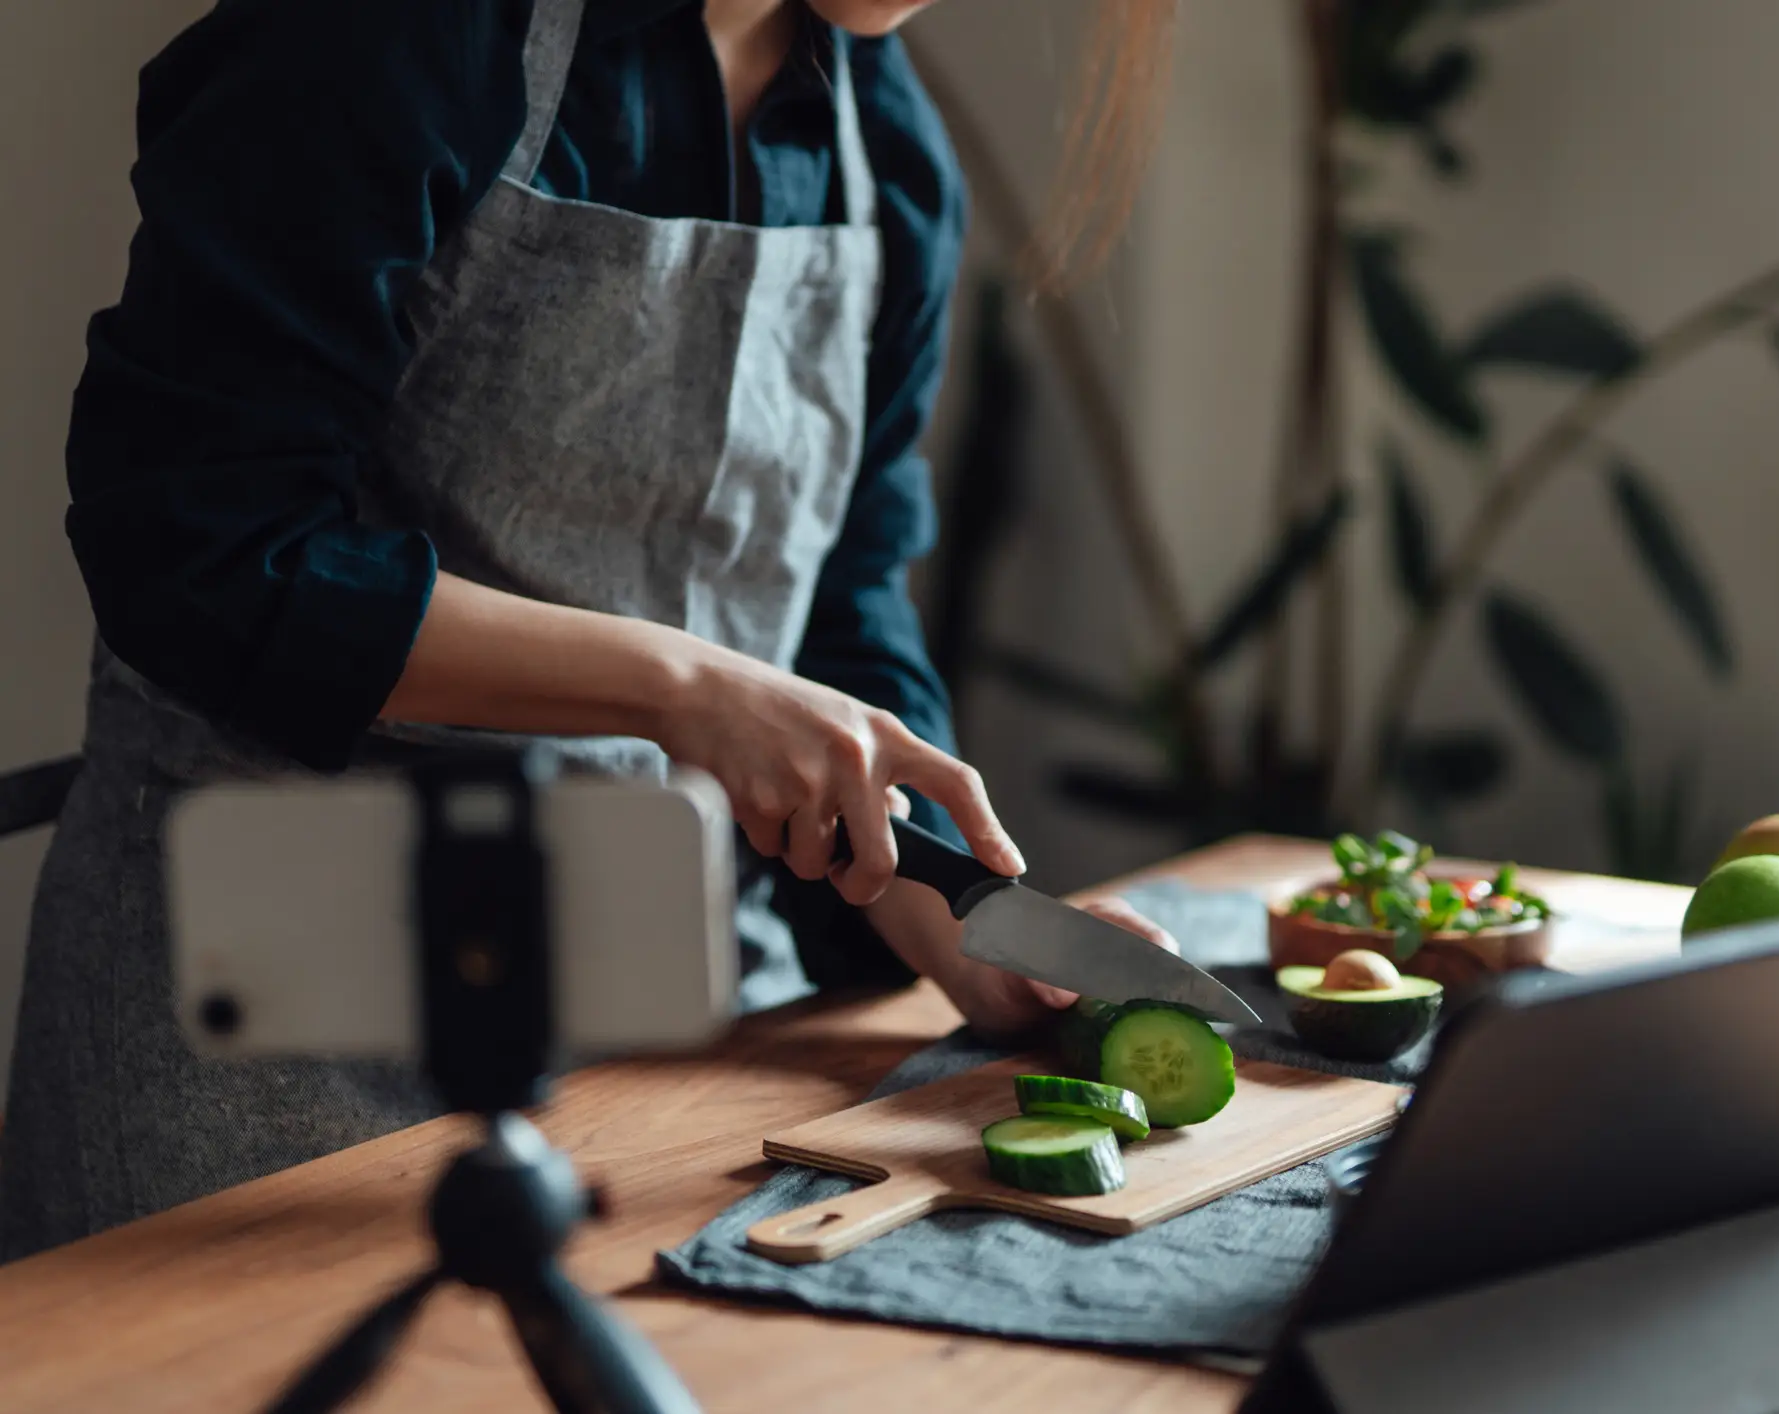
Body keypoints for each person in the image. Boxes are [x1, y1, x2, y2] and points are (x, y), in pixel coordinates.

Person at [0, 0, 1178, 1262]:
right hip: (258, 1036)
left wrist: (965, 932)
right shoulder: (387, 39)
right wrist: (684, 688)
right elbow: (207, 544)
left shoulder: (883, 148)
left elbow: (841, 608)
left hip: (671, 1041)